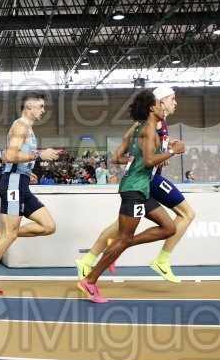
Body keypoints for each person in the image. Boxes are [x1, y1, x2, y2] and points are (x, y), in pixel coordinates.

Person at [76, 86, 195, 284]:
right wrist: (166, 153)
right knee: (187, 214)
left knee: (122, 228)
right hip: (147, 180)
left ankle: (89, 259)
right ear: (159, 103)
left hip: (140, 180)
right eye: (172, 99)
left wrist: (160, 151)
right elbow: (146, 155)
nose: (175, 103)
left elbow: (132, 152)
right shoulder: (152, 124)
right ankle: (162, 259)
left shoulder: (153, 124)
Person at [0, 90, 60, 295]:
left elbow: (8, 155)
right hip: (12, 184)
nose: (43, 110)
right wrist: (39, 154)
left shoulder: (27, 128)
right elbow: (9, 156)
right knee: (10, 234)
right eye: (40, 106)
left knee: (48, 226)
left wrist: (27, 172)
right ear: (28, 107)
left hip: (21, 183)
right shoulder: (20, 126)